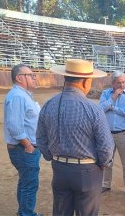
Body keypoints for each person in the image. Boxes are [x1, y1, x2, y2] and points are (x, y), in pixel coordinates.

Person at [36, 59, 114, 216]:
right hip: (87, 171)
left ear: (66, 78)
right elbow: (106, 147)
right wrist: (102, 164)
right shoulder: (93, 109)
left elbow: (41, 140)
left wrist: (52, 157)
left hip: (59, 169)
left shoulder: (49, 104)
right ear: (85, 82)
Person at [3, 64, 42, 216]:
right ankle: (26, 214)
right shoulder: (18, 96)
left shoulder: (23, 95)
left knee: (26, 182)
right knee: (30, 184)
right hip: (24, 149)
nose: (34, 78)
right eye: (30, 75)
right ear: (19, 78)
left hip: (25, 149)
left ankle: (24, 212)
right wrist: (28, 146)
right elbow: (14, 126)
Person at [99, 70, 125, 199]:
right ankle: (106, 184)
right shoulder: (105, 94)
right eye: (119, 82)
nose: (122, 85)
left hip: (124, 134)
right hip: (108, 134)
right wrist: (113, 98)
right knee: (108, 161)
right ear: (113, 83)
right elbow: (101, 109)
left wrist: (113, 108)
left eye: (123, 82)